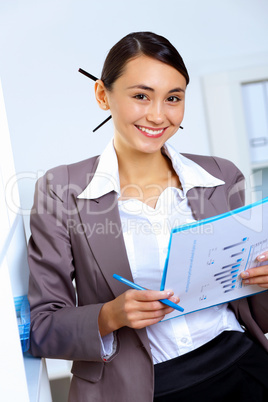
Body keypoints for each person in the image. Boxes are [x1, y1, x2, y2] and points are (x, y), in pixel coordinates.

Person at [27, 32, 268, 402]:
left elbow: (257, 313)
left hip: (244, 366)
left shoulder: (221, 176)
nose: (158, 115)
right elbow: (43, 327)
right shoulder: (63, 189)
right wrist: (109, 315)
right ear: (102, 95)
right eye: (141, 96)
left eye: (173, 98)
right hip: (144, 387)